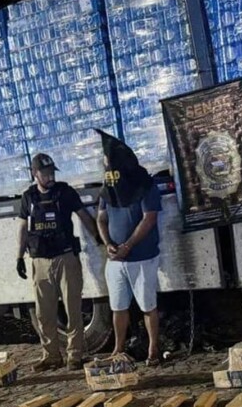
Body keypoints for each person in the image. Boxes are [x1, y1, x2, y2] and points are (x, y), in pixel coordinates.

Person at [16, 153, 100, 371]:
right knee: (44, 313)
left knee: (73, 309)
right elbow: (23, 228)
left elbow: (84, 216)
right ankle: (51, 356)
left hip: (65, 258)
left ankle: (75, 355)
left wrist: (100, 239)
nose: (50, 177)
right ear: (35, 174)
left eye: (52, 172)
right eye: (45, 173)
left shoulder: (65, 192)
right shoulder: (28, 197)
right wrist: (19, 256)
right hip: (40, 261)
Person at [94, 129, 164, 366]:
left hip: (142, 257)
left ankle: (153, 350)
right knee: (118, 306)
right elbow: (101, 218)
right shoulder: (108, 187)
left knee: (148, 305)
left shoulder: (144, 184)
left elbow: (149, 218)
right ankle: (118, 348)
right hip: (116, 259)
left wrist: (128, 245)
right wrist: (108, 244)